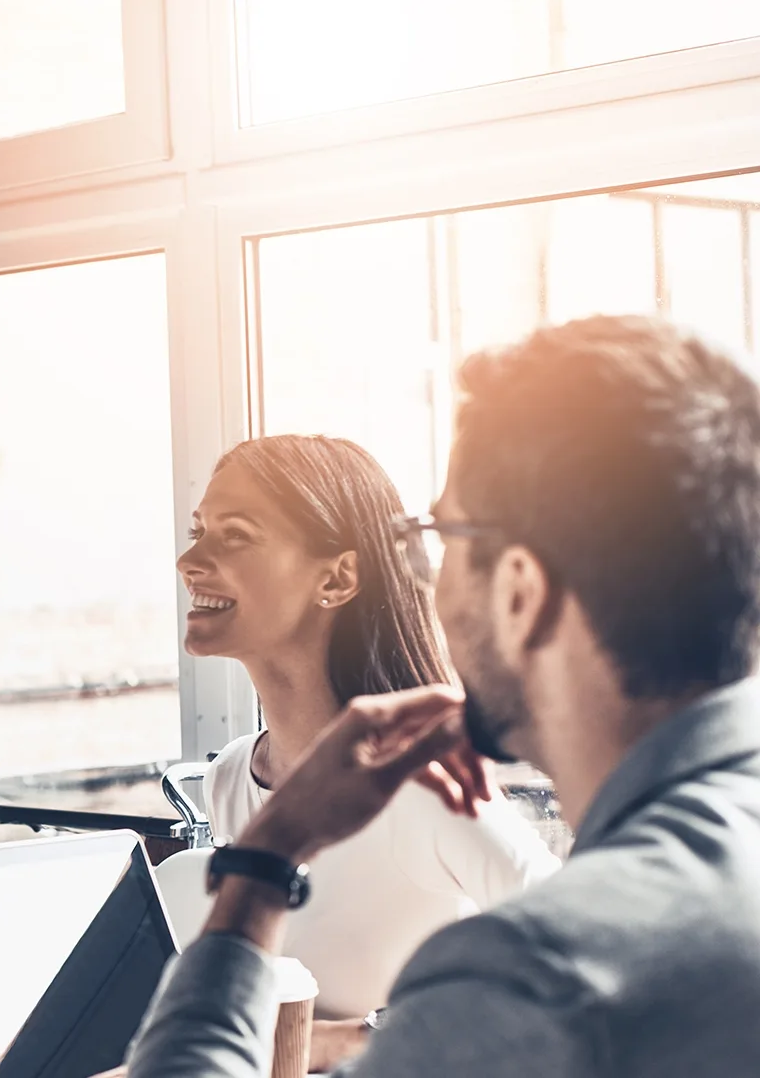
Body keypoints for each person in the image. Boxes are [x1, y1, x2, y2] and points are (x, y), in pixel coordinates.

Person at [130, 314, 760, 1076]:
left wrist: (265, 861)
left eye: (442, 536)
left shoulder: (532, 977)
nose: (425, 575)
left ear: (520, 592)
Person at [177, 435, 558, 1061]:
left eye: (234, 535)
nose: (191, 560)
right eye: (198, 532)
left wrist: (339, 1040)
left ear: (338, 577)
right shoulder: (230, 778)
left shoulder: (423, 788)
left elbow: (578, 958)